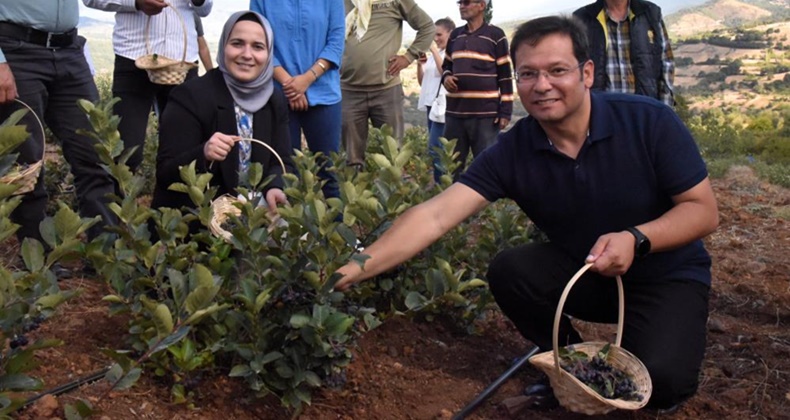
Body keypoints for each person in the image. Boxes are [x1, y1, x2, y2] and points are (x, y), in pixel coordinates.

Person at [335, 15, 719, 413]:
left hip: (665, 276)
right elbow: (434, 215)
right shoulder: (514, 150)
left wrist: (636, 239)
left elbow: (703, 211)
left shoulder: (647, 121)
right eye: (528, 74)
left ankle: (651, 352)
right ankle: (568, 363)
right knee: (511, 272)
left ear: (586, 73)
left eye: (557, 71)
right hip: (586, 271)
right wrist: (352, 269)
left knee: (660, 382)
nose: (542, 85)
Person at [151, 11, 291, 220]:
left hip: (253, 219)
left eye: (257, 47)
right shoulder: (190, 96)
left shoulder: (273, 98)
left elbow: (282, 161)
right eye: (237, 43)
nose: (247, 54)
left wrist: (275, 186)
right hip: (197, 222)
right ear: (224, 45)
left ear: (269, 53)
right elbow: (165, 173)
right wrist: (204, 153)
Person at [0, 1, 117, 248]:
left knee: (96, 150)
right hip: (17, 50)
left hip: (69, 50)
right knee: (27, 163)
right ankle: (38, 261)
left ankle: (107, 254)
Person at [82, 0, 213, 172]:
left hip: (182, 60)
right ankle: (121, 197)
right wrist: (135, 2)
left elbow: (205, 8)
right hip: (133, 57)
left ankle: (171, 198)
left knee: (183, 153)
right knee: (126, 152)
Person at [251, 0, 344, 200]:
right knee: (283, 173)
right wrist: (290, 85)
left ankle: (334, 230)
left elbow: (336, 42)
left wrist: (307, 79)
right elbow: (259, 42)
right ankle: (289, 230)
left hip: (324, 95)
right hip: (277, 95)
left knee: (329, 173)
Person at [341, 0, 434, 167]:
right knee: (351, 156)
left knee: (393, 153)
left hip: (386, 90)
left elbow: (427, 27)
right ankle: (353, 191)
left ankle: (392, 191)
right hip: (348, 90)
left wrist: (408, 57)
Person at [442, 0, 513, 179]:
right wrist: (446, 78)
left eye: (466, 2)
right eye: (460, 3)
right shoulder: (455, 36)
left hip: (485, 116)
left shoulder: (496, 35)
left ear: (481, 5)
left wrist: (505, 111)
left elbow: (505, 76)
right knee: (451, 168)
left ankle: (487, 207)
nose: (462, 6)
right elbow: (446, 66)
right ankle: (454, 206)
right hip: (455, 114)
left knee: (487, 167)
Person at [573, 0, 675, 106]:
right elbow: (574, 69)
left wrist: (664, 109)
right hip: (600, 112)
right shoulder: (581, 19)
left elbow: (667, 64)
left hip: (644, 112)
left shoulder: (650, 14)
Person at [417, 18, 455, 183]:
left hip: (441, 107)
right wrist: (420, 65)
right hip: (430, 105)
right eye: (434, 35)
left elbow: (444, 71)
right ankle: (440, 183)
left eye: (439, 34)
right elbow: (422, 81)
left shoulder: (450, 53)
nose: (436, 38)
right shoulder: (436, 55)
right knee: (436, 149)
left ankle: (441, 185)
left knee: (436, 149)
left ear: (450, 33)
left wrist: (432, 50)